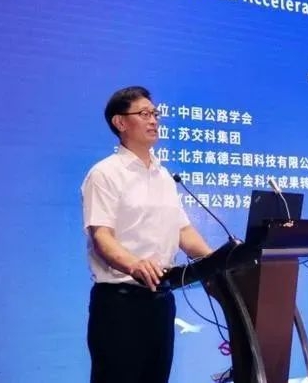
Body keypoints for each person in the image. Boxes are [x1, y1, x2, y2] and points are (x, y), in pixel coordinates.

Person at [80, 85, 214, 383]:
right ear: (120, 122)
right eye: (144, 114)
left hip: (161, 299)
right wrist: (135, 264)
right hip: (120, 304)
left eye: (155, 113)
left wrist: (218, 260)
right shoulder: (104, 174)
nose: (154, 120)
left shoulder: (163, 176)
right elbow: (102, 237)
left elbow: (182, 230)